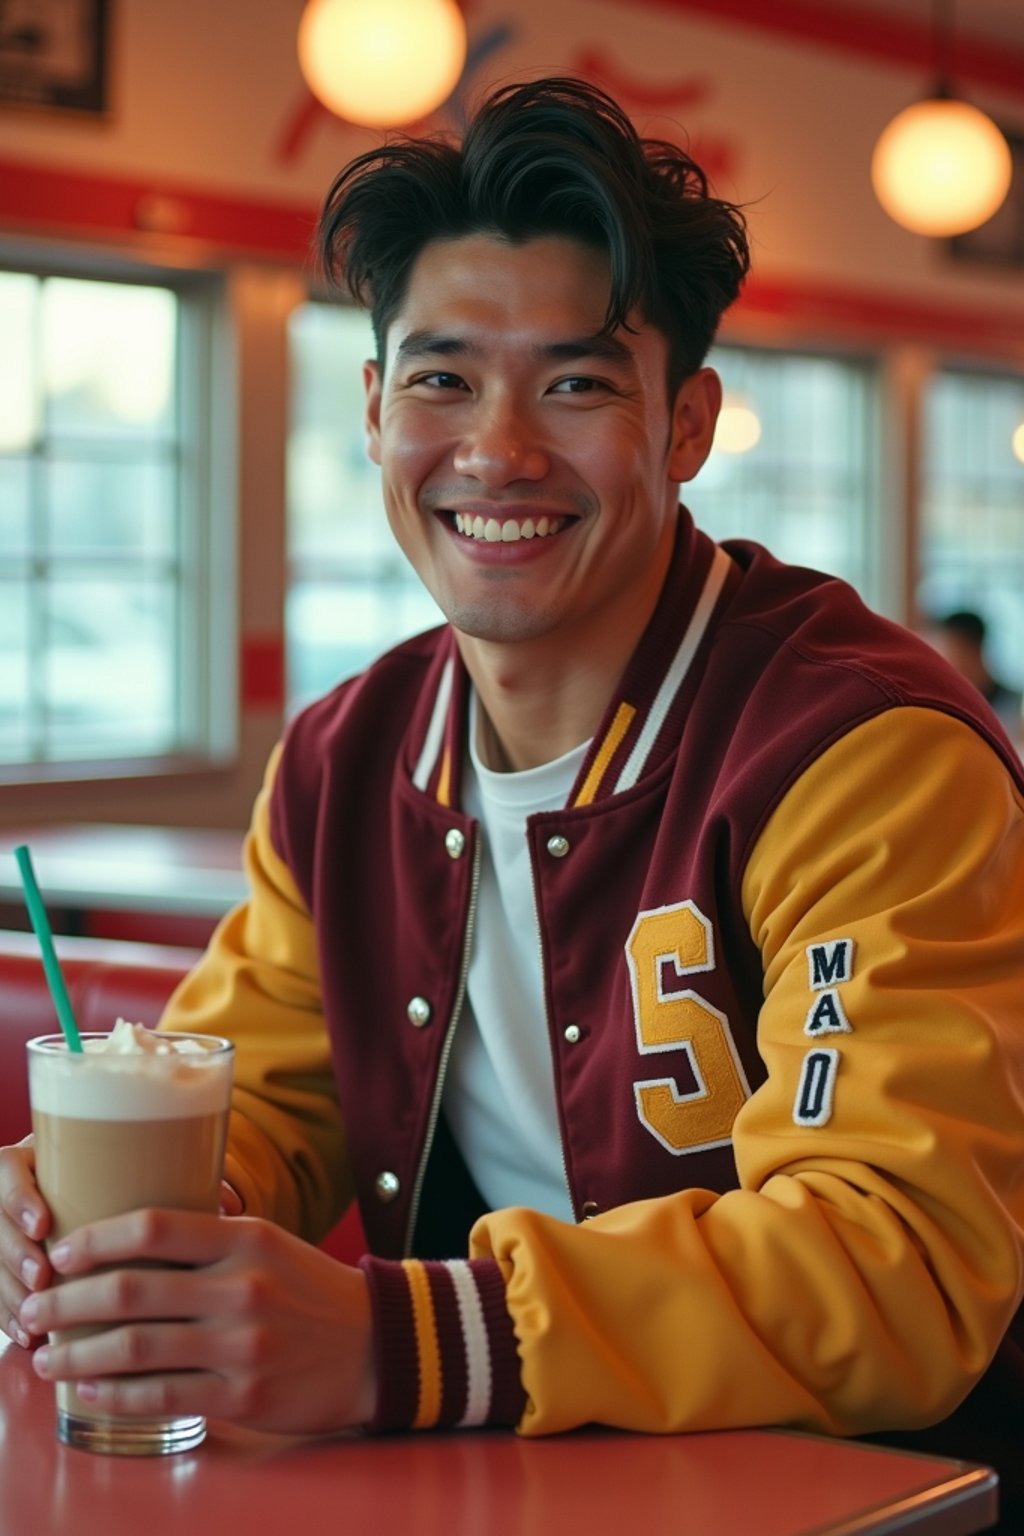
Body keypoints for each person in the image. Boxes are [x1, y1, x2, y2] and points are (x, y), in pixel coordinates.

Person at [2, 74, 1024, 1515]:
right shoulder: (344, 763)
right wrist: (122, 1229)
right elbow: (257, 1104)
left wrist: (399, 1339)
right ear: (371, 411)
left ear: (686, 424)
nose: (498, 450)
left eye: (578, 382)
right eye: (442, 378)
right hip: (512, 1483)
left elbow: (898, 1260)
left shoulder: (861, 751)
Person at [925, 608, 1022, 744]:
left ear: (972, 649)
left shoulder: (1016, 708)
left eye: (948, 651)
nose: (940, 663)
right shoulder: (943, 707)